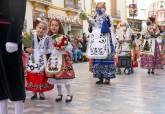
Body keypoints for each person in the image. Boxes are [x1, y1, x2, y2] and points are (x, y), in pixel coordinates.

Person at [0, 1, 26, 114]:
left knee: (13, 75)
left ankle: (18, 111)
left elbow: (18, 8)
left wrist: (13, 35)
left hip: (7, 32)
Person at [46, 19, 75, 103]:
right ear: (50, 27)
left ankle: (69, 94)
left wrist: (64, 47)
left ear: (59, 27)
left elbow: (70, 47)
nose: (54, 27)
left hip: (63, 59)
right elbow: (47, 49)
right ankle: (59, 93)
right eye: (52, 25)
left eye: (56, 25)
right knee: (57, 78)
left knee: (66, 78)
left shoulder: (63, 37)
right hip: (54, 59)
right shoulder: (48, 38)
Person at [87, 2, 116, 84]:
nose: (99, 9)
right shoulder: (94, 17)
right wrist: (90, 23)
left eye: (101, 7)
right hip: (97, 40)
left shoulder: (107, 16)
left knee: (106, 58)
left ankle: (108, 77)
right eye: (98, 8)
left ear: (104, 8)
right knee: (98, 58)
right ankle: (100, 77)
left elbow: (111, 27)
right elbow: (90, 30)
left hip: (105, 40)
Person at [25, 21, 54, 100]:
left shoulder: (48, 38)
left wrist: (45, 51)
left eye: (44, 29)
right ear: (36, 27)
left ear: (46, 30)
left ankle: (41, 92)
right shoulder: (31, 36)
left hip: (42, 59)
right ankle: (34, 92)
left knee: (41, 76)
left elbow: (51, 49)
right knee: (32, 75)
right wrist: (27, 49)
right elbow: (26, 46)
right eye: (40, 28)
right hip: (33, 59)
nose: (41, 30)